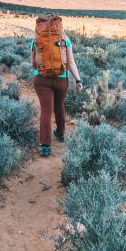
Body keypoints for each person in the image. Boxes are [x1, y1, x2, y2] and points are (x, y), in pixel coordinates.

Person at [30, 16, 82, 157]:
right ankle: (60, 134)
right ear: (58, 25)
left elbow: (33, 64)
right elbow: (71, 63)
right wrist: (78, 80)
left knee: (46, 111)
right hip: (61, 80)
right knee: (59, 106)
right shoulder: (65, 39)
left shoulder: (36, 39)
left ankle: (45, 145)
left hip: (41, 79)